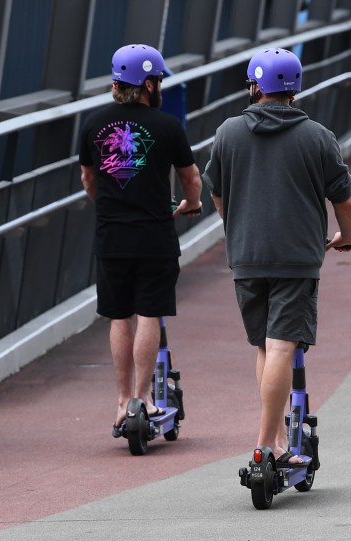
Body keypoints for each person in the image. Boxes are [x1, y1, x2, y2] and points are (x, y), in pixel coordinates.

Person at [203, 47, 351, 464]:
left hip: (247, 256)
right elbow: (344, 200)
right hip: (297, 258)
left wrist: (236, 222)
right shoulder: (317, 136)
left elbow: (216, 191)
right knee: (281, 347)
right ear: (295, 88)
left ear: (255, 87)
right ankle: (266, 444)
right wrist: (347, 236)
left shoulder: (228, 133)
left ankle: (276, 439)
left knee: (264, 347)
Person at [79, 44, 202, 436]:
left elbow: (88, 179)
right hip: (154, 236)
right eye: (158, 80)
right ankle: (144, 397)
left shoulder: (93, 124)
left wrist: (109, 205)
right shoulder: (168, 126)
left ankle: (121, 400)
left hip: (111, 236)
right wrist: (191, 204)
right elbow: (191, 178)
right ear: (149, 84)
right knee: (149, 312)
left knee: (120, 316)